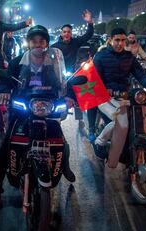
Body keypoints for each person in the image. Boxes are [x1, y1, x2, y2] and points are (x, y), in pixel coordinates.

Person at [0, 25, 76, 217]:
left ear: (47, 44)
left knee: (61, 141)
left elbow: (65, 81)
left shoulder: (54, 62)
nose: (38, 44)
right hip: (23, 110)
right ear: (28, 43)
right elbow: (6, 79)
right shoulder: (19, 61)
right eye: (34, 41)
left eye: (41, 41)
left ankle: (64, 166)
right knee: (5, 146)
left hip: (48, 111)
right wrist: (2, 91)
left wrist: (70, 96)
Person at [91, 28, 146, 163]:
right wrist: (105, 90)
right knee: (119, 121)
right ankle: (99, 142)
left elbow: (140, 74)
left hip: (124, 95)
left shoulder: (129, 57)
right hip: (104, 97)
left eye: (123, 40)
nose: (120, 43)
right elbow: (94, 81)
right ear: (110, 40)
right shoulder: (100, 56)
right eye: (117, 40)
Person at [51, 10, 95, 140]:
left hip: (72, 73)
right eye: (64, 32)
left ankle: (79, 116)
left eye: (69, 32)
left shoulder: (76, 42)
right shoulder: (54, 46)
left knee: (77, 94)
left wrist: (90, 22)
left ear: (71, 33)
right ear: (61, 33)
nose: (66, 34)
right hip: (58, 75)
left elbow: (88, 35)